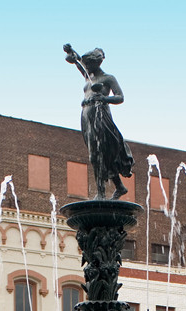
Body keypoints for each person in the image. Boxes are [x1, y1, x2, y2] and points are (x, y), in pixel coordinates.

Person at [64, 44, 134, 200]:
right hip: (86, 115)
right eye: (86, 65)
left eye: (88, 65)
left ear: (96, 63)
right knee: (95, 152)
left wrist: (104, 98)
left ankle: (101, 193)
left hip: (100, 114)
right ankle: (119, 187)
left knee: (98, 153)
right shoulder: (89, 76)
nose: (86, 68)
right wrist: (70, 51)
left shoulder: (108, 78)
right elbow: (77, 62)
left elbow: (120, 97)